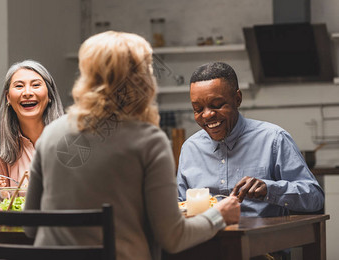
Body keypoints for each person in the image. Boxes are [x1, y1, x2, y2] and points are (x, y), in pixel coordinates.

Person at [24, 31, 240, 260]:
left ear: (87, 76)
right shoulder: (149, 141)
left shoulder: (50, 135)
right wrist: (219, 216)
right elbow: (173, 237)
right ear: (142, 80)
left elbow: (30, 227)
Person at [177, 62, 324, 217]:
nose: (207, 115)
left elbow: (315, 198)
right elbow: (178, 206)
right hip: (208, 239)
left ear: (237, 99)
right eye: (198, 109)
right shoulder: (190, 148)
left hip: (262, 239)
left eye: (217, 105)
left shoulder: (274, 139)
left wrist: (270, 189)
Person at [0, 60, 64, 190]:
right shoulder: (0, 146)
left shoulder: (70, 137)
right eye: (19, 86)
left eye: (36, 85)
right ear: (8, 97)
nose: (27, 93)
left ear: (50, 94)